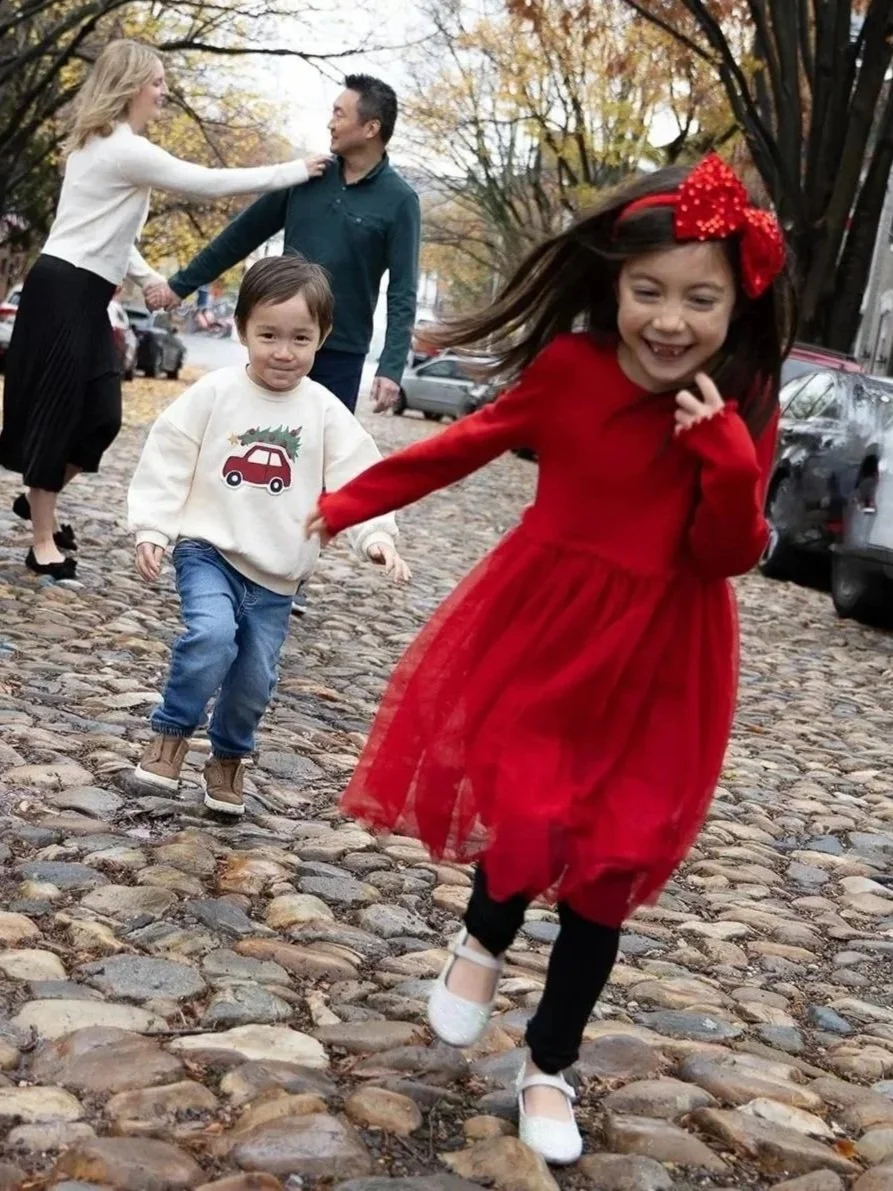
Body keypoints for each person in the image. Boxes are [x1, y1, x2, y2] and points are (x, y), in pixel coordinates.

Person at [305, 154, 794, 1165]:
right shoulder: (571, 373)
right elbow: (461, 445)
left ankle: (547, 1064)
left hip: (667, 657)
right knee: (526, 810)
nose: (669, 320)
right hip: (547, 630)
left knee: (607, 865)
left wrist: (727, 460)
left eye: (697, 298)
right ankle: (482, 937)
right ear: (612, 284)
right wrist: (346, 505)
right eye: (646, 291)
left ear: (734, 301)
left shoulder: (741, 396)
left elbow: (726, 554)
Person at [0, 38, 329, 581]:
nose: (163, 93)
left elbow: (109, 232)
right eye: (157, 82)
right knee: (59, 413)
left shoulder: (109, 148)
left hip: (84, 292)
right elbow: (206, 183)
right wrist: (294, 170)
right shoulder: (116, 147)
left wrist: (150, 276)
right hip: (63, 290)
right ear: (131, 87)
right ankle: (42, 539)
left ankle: (42, 499)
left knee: (101, 417)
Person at [127, 255, 410, 815]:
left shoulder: (325, 411)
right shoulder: (215, 393)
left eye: (300, 338)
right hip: (209, 550)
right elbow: (169, 456)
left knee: (255, 677)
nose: (284, 351)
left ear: (322, 337)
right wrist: (153, 528)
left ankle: (228, 758)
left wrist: (376, 535)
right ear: (242, 331)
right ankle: (171, 734)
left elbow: (359, 476)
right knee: (210, 637)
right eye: (269, 335)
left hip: (280, 575)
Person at [156, 74, 421, 417]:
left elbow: (403, 292)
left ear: (371, 129)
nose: (331, 123)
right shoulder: (308, 176)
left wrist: (390, 368)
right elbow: (240, 236)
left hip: (341, 353)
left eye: (340, 114)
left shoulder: (400, 201)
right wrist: (180, 285)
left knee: (319, 459)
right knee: (254, 442)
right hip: (276, 344)